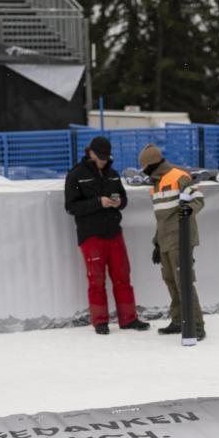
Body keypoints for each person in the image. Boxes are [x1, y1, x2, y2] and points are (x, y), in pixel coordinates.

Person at [64, 136, 149, 335]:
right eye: (99, 156)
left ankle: (129, 319)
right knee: (96, 281)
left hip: (114, 233)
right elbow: (71, 207)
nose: (103, 160)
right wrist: (97, 203)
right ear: (90, 152)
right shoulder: (76, 175)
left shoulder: (112, 174)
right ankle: (100, 321)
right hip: (91, 235)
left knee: (123, 277)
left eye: (105, 156)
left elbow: (124, 198)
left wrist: (119, 202)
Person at [138, 143, 205, 339]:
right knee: (170, 280)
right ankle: (179, 320)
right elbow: (161, 218)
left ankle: (197, 326)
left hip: (181, 238)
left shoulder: (179, 176)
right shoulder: (155, 185)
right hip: (165, 239)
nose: (144, 172)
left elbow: (198, 199)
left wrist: (189, 209)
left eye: (144, 168)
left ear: (152, 165)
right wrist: (156, 243)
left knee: (183, 282)